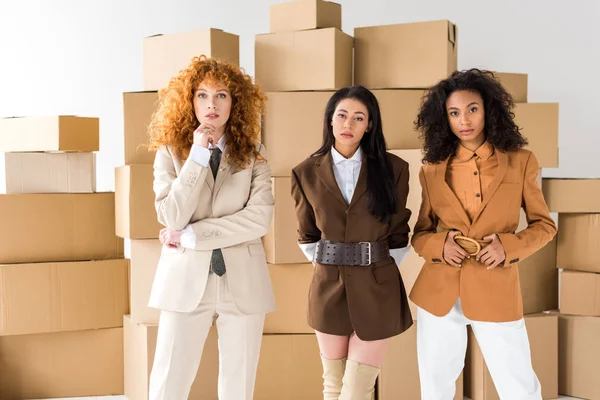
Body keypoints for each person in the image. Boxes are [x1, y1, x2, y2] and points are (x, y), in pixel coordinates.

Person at [410, 69, 557, 400]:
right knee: (435, 387)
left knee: (517, 384)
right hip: (439, 290)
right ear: (443, 118)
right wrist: (439, 246)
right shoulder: (431, 169)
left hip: (495, 285)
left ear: (488, 109)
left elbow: (545, 225)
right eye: (454, 112)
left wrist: (508, 246)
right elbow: (420, 234)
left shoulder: (521, 162)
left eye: (472, 109)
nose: (465, 120)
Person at [146, 55, 275, 400]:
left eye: (221, 95)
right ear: (190, 101)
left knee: (238, 386)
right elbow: (171, 215)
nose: (211, 104)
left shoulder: (255, 155)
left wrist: (192, 235)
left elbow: (259, 219)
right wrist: (197, 157)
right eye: (202, 95)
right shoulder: (171, 152)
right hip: (185, 281)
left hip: (243, 283)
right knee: (168, 382)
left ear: (236, 103)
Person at [291, 85, 413, 400]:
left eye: (359, 118)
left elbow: (399, 231)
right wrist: (332, 265)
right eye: (342, 116)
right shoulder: (305, 172)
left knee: (357, 389)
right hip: (328, 286)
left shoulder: (395, 169)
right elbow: (307, 235)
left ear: (369, 125)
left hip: (378, 284)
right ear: (330, 120)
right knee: (333, 384)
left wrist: (375, 267)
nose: (349, 124)